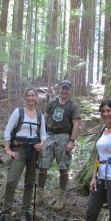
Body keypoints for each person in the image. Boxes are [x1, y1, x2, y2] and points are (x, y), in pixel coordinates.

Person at [0, 87, 46, 221]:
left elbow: (43, 135)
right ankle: (6, 216)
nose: (31, 98)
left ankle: (25, 213)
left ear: (36, 98)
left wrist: (41, 144)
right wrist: (7, 149)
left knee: (30, 182)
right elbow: (7, 131)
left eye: (33, 95)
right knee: (12, 181)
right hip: (19, 149)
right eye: (28, 95)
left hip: (34, 151)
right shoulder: (18, 112)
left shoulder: (39, 115)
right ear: (24, 97)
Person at [37, 80, 81, 210]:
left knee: (62, 167)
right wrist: (42, 136)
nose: (64, 91)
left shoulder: (72, 106)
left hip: (64, 136)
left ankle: (61, 197)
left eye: (67, 89)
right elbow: (44, 118)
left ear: (70, 90)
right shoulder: (52, 102)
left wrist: (71, 141)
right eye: (63, 88)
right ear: (59, 89)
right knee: (43, 165)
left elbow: (76, 124)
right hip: (50, 134)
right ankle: (40, 194)